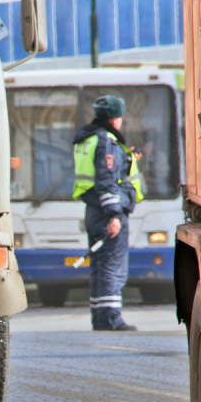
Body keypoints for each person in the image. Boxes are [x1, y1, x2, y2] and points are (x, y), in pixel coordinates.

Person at [72, 95, 144, 332]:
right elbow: (106, 181)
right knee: (113, 266)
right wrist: (114, 215)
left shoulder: (89, 139)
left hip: (93, 210)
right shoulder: (106, 142)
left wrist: (128, 158)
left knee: (100, 266)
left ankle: (100, 318)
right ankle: (111, 318)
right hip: (107, 213)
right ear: (115, 119)